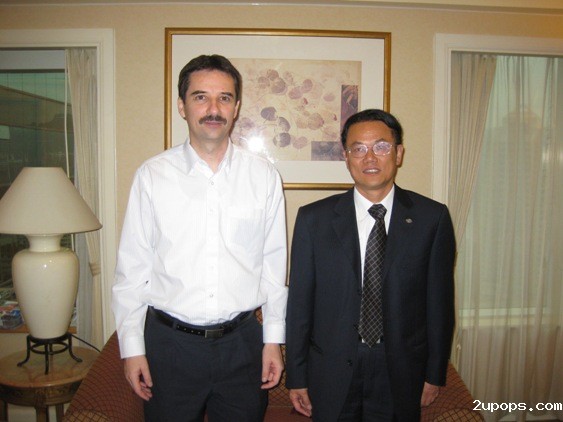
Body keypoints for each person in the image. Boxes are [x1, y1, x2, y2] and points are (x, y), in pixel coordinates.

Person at [112, 54, 288, 422]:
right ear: (182, 106)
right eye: (200, 97)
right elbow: (132, 270)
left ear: (236, 108)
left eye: (224, 98)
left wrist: (273, 340)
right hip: (170, 347)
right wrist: (132, 348)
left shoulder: (263, 177)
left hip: (242, 347)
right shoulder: (152, 176)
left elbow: (273, 267)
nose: (213, 109)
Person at [285, 109, 456, 421]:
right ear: (346, 157)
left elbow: (439, 305)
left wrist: (434, 373)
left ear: (398, 153)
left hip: (402, 371)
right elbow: (299, 304)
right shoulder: (313, 220)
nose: (370, 158)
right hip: (331, 369)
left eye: (381, 146)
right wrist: (296, 376)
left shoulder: (432, 218)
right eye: (358, 149)